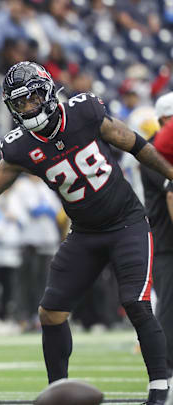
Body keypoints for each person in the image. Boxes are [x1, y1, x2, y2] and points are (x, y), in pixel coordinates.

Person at [0, 61, 173, 405]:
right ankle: (57, 389)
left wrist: (171, 174)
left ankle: (159, 388)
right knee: (51, 312)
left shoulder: (84, 112)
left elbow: (136, 144)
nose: (28, 108)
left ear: (46, 92)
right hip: (85, 233)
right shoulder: (18, 148)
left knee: (136, 303)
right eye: (19, 103)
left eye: (32, 98)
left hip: (127, 224)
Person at [141, 93, 173, 396]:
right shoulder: (155, 151)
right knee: (170, 303)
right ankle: (166, 368)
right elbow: (171, 193)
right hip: (167, 239)